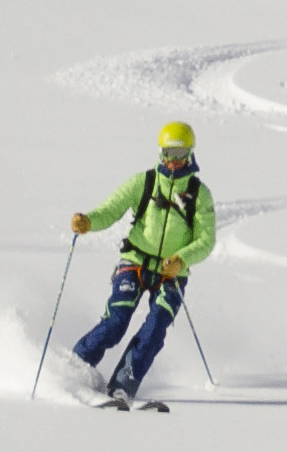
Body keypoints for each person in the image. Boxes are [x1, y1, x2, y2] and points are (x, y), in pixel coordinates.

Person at [68, 121, 218, 406]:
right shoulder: (144, 182)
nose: (174, 160)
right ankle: (74, 366)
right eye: (168, 153)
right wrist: (88, 222)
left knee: (156, 325)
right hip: (135, 263)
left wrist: (181, 259)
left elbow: (206, 240)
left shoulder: (199, 194)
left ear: (191, 153)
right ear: (160, 152)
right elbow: (110, 209)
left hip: (171, 273)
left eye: (181, 152)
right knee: (116, 321)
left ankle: (122, 385)